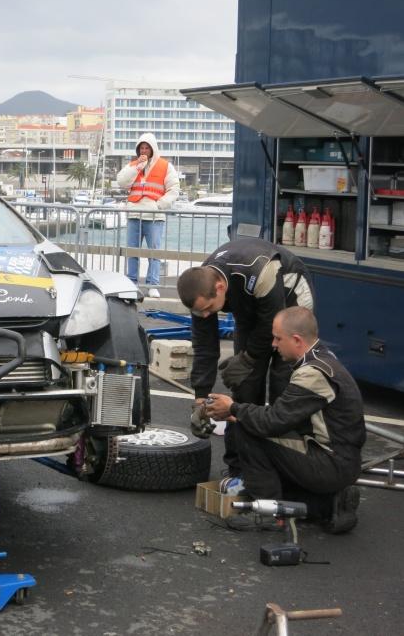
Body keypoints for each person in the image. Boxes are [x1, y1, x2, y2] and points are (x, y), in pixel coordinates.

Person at [203, 307, 365, 533]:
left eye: (278, 338)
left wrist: (234, 408)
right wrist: (237, 412)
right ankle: (330, 505)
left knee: (247, 430)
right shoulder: (323, 358)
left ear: (296, 340)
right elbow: (288, 416)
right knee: (273, 478)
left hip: (330, 463)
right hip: (338, 459)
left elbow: (273, 421)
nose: (274, 344)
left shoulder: (313, 372)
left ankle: (267, 514)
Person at [178, 238, 314, 475]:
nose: (206, 315)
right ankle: (239, 467)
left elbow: (271, 329)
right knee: (245, 388)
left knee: (284, 384)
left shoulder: (259, 271)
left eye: (209, 308)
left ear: (220, 288)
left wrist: (249, 359)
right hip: (250, 306)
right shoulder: (201, 289)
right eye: (200, 312)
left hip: (289, 301)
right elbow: (205, 347)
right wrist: (200, 398)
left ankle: (289, 466)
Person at [115, 132, 180, 298]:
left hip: (154, 216)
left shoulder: (166, 166)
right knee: (132, 251)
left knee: (154, 252)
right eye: (141, 148)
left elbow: (174, 189)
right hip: (134, 213)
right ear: (138, 150)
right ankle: (132, 283)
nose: (144, 151)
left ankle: (153, 284)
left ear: (153, 149)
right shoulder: (133, 165)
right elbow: (122, 182)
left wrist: (160, 206)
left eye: (147, 148)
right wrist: (137, 166)